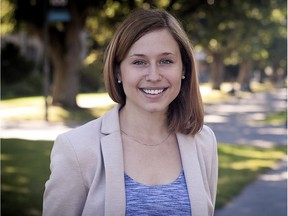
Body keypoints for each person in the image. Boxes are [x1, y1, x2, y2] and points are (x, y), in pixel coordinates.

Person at [43, 8, 218, 216]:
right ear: (118, 71)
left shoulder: (203, 142)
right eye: (139, 62)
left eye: (166, 61)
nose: (154, 76)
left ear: (184, 69)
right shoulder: (76, 149)